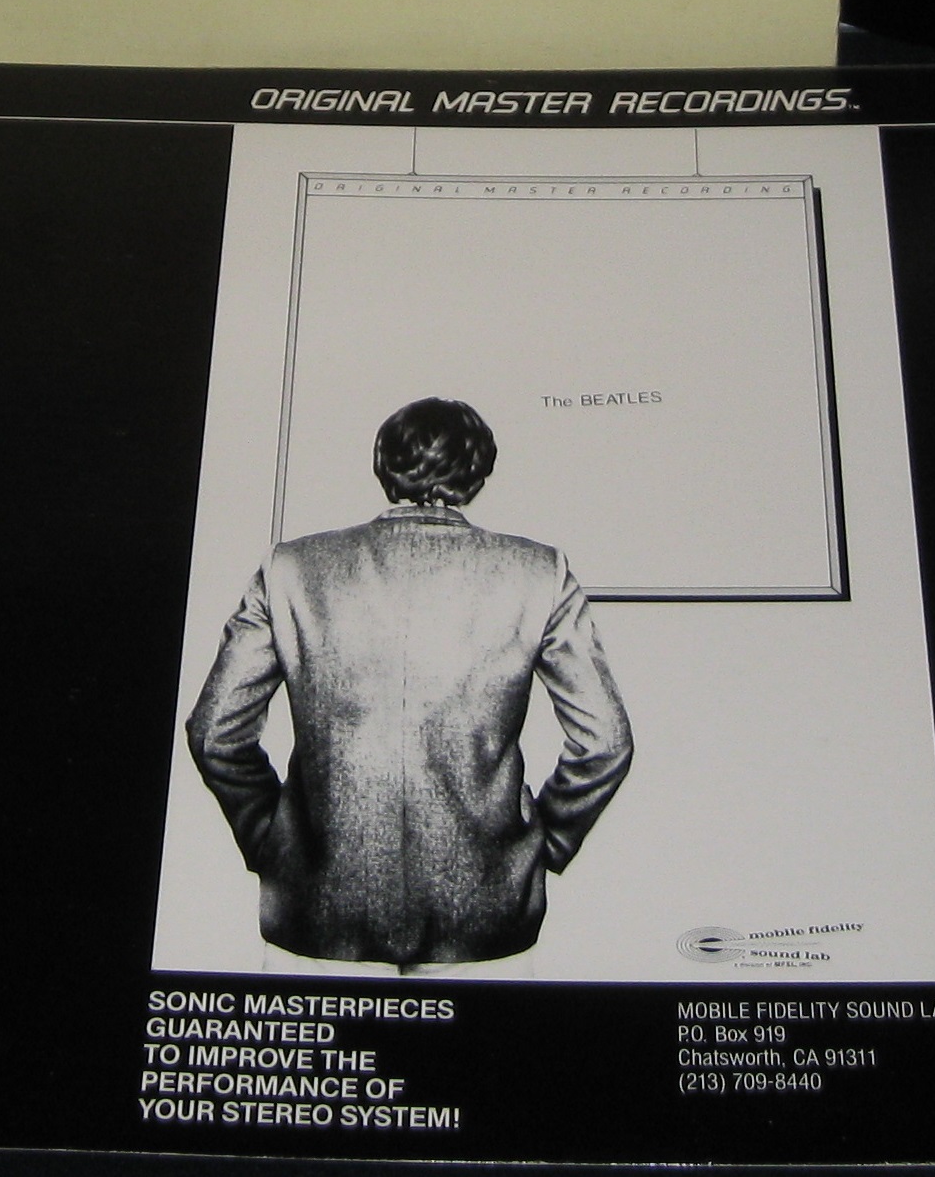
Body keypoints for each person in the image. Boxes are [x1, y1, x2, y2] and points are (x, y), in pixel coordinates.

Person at [186, 397, 633, 970]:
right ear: (479, 472)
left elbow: (215, 734)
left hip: (316, 916)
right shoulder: (539, 572)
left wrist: (273, 843)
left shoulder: (290, 568)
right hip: (488, 917)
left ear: (383, 464)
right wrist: (547, 845)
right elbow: (605, 743)